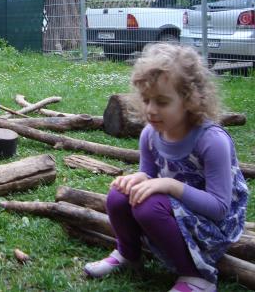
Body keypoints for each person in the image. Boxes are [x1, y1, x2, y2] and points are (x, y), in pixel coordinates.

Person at [83, 43, 248, 292]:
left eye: (162, 101)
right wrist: (137, 178)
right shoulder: (151, 134)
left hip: (212, 228)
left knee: (148, 207)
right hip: (175, 212)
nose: (150, 110)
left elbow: (219, 209)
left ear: (190, 100)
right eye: (147, 100)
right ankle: (128, 256)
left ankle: (197, 277)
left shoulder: (211, 141)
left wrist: (169, 185)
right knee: (119, 195)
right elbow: (147, 174)